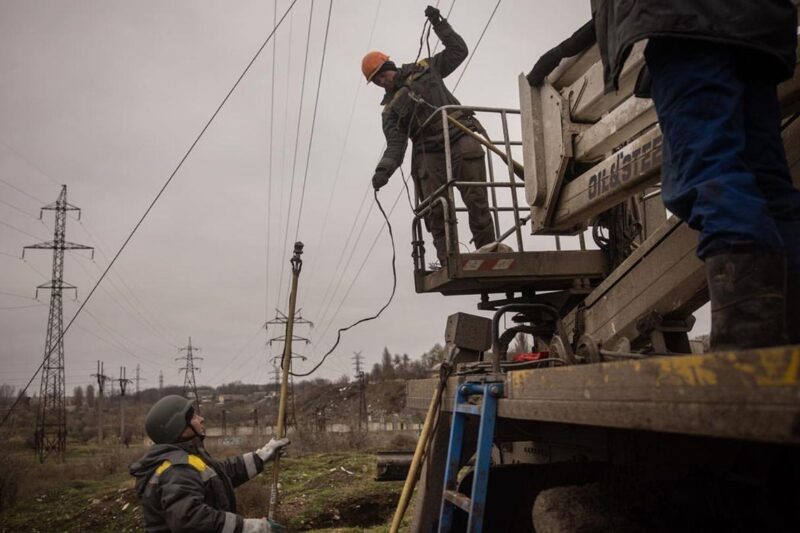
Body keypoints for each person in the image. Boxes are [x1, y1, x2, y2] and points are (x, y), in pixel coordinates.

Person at [527, 0, 800, 349]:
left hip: (686, 21)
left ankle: (747, 348)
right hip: (759, 28)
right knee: (768, 183)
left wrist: (564, 52)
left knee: (710, 175)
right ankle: (785, 341)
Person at [364, 5, 499, 268]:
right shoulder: (390, 111)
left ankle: (488, 251)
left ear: (390, 66)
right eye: (376, 80)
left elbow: (458, 52)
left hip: (460, 135)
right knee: (436, 209)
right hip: (429, 151)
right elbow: (396, 145)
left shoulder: (425, 69)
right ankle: (449, 260)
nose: (382, 81)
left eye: (382, 74)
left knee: (476, 198)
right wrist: (384, 170)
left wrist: (439, 24)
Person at [130, 395, 290, 533]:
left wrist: (261, 456)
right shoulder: (177, 468)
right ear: (180, 427)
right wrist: (246, 527)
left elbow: (222, 474)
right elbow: (189, 520)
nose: (201, 419)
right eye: (193, 417)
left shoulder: (186, 459)